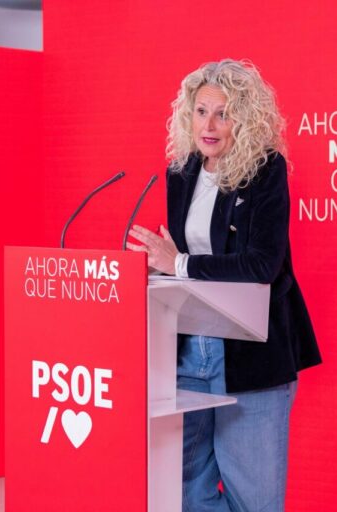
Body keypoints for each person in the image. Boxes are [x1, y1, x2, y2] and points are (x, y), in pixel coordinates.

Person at [127, 59, 321, 511]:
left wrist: (177, 262)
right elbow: (189, 259)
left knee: (253, 498)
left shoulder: (264, 170)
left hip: (249, 353)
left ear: (245, 118)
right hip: (188, 351)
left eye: (223, 113)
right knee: (183, 488)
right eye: (200, 111)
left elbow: (261, 265)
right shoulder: (182, 171)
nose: (209, 125)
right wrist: (165, 262)